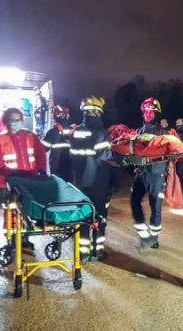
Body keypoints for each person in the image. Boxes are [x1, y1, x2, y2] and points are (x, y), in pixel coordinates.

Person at [0, 107, 46, 250]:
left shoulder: (30, 136)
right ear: (6, 122)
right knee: (12, 211)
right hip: (8, 183)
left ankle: (25, 238)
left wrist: (40, 170)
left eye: (18, 120)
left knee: (26, 211)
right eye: (12, 120)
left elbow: (40, 155)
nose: (15, 122)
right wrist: (9, 173)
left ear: (22, 120)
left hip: (29, 181)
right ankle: (13, 240)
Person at [70, 96, 112, 263]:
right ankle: (98, 250)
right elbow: (105, 155)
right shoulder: (100, 133)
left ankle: (83, 252)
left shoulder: (77, 131)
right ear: (99, 112)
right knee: (99, 217)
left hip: (80, 183)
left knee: (83, 218)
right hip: (98, 183)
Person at [131, 97, 168, 249]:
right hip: (141, 173)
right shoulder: (137, 132)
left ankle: (153, 238)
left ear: (156, 114)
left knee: (156, 207)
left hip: (156, 174)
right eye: (146, 110)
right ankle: (144, 234)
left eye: (151, 111)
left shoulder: (163, 133)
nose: (148, 113)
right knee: (134, 201)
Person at [42, 105, 72, 182]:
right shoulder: (73, 130)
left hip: (56, 169)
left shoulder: (52, 132)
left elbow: (42, 149)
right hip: (71, 169)